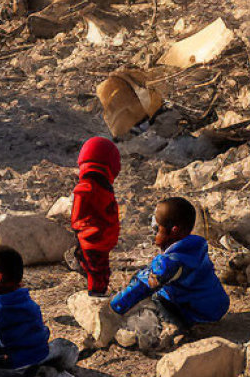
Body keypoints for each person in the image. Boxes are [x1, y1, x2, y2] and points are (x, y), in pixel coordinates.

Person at [110, 197, 229, 328]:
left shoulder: (170, 263)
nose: (153, 234)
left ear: (174, 230)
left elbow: (142, 286)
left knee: (151, 300)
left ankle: (175, 330)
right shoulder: (196, 246)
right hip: (218, 306)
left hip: (198, 313)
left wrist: (114, 308)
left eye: (157, 229)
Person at [70, 137, 121, 296]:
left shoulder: (89, 188)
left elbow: (76, 217)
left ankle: (96, 291)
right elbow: (79, 217)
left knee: (97, 268)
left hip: (93, 237)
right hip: (95, 238)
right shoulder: (92, 189)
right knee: (97, 270)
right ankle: (96, 293)